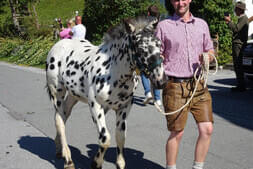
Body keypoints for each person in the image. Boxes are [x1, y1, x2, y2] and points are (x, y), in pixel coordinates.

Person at [155, 0, 215, 169]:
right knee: (177, 133)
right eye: (175, 0)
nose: (180, 3)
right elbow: (155, 54)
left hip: (199, 85)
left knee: (207, 129)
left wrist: (208, 56)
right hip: (174, 86)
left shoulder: (202, 25)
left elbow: (209, 48)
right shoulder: (164, 26)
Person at [224, 1, 249, 92]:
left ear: (239, 10)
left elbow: (236, 29)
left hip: (239, 45)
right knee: (237, 65)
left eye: (236, 9)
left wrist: (229, 21)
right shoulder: (242, 18)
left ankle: (241, 86)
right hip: (238, 44)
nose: (234, 10)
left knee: (238, 65)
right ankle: (240, 85)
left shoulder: (243, 18)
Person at [141, 4, 162, 106]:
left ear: (148, 12)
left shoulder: (143, 22)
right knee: (156, 74)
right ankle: (157, 99)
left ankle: (148, 92)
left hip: (145, 51)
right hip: (156, 51)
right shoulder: (159, 23)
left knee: (144, 73)